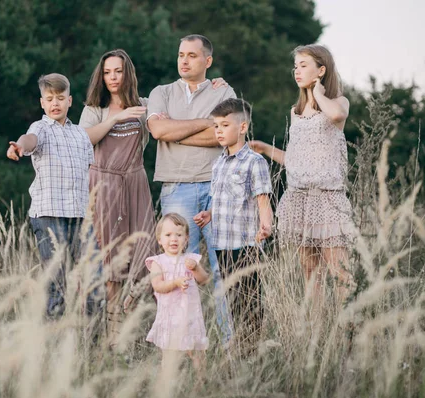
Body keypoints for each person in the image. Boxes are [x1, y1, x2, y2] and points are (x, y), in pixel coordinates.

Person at [79, 49, 227, 348]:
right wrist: (117, 116)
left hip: (134, 185)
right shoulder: (94, 108)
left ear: (127, 73)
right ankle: (109, 338)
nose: (113, 78)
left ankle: (131, 333)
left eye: (118, 71)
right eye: (107, 72)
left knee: (141, 257)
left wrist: (210, 84)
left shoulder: (145, 105)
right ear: (101, 75)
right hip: (103, 185)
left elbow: (171, 123)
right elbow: (85, 139)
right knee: (110, 263)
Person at [249, 44, 356, 308]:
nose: (297, 71)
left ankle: (350, 330)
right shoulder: (295, 113)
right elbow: (295, 161)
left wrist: (318, 94)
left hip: (327, 199)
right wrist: (264, 149)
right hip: (299, 198)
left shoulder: (338, 102)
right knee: (310, 272)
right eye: (295, 66)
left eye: (303, 65)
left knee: (340, 273)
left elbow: (337, 115)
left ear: (321, 69)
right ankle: (316, 331)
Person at [146, 34, 237, 345]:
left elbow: (225, 134)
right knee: (177, 270)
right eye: (181, 55)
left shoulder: (223, 90)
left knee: (222, 269)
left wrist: (178, 133)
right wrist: (204, 122)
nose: (184, 60)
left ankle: (228, 343)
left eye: (192, 56)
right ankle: (179, 345)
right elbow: (158, 130)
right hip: (177, 188)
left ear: (207, 61)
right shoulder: (161, 92)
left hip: (217, 189)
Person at [6, 73, 94, 318]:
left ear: (70, 101)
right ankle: (53, 339)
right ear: (42, 103)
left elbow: (87, 173)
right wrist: (20, 147)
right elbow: (30, 140)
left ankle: (89, 340)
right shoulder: (40, 128)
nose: (55, 103)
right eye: (49, 98)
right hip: (49, 214)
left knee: (90, 278)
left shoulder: (81, 135)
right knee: (57, 280)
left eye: (60, 98)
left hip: (78, 216)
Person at [194, 98, 273, 352]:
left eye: (224, 125)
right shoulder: (218, 164)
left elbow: (262, 198)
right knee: (234, 299)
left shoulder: (254, 162)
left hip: (247, 242)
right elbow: (220, 199)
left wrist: (266, 225)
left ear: (242, 127)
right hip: (223, 244)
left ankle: (253, 349)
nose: (218, 131)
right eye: (216, 126)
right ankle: (240, 347)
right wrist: (209, 214)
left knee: (250, 300)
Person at [146, 213, 210, 374]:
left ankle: (201, 383)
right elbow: (158, 286)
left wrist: (195, 268)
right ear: (159, 239)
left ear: (186, 238)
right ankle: (167, 384)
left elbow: (204, 280)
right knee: (169, 355)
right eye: (168, 235)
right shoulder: (157, 262)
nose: (174, 239)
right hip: (169, 317)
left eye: (179, 235)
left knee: (197, 352)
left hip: (190, 316)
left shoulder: (190, 259)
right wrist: (175, 282)